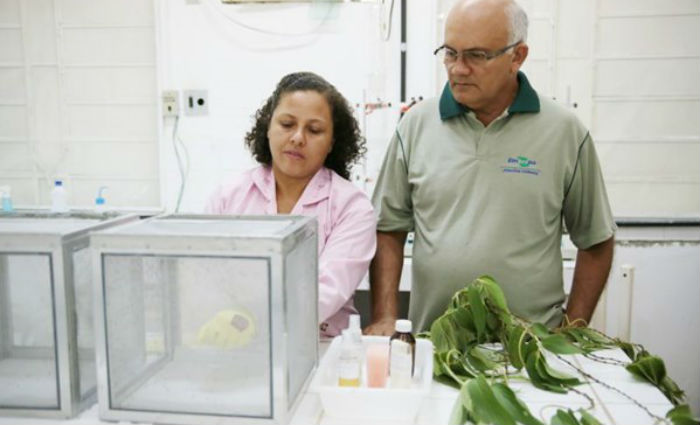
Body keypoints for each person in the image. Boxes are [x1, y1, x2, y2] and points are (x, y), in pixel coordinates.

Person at [366, 0, 616, 335]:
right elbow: (388, 228)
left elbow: (596, 240)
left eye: (477, 55)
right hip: (436, 344)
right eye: (450, 52)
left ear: (518, 56)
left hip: (531, 348)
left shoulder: (565, 133)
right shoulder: (415, 127)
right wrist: (385, 317)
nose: (458, 68)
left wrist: (573, 328)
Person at [207, 72, 377, 337]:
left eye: (314, 130)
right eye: (287, 124)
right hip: (235, 343)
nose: (298, 137)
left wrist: (251, 320)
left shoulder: (352, 207)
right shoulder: (230, 196)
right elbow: (207, 275)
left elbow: (326, 291)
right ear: (268, 126)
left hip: (321, 348)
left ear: (332, 142)